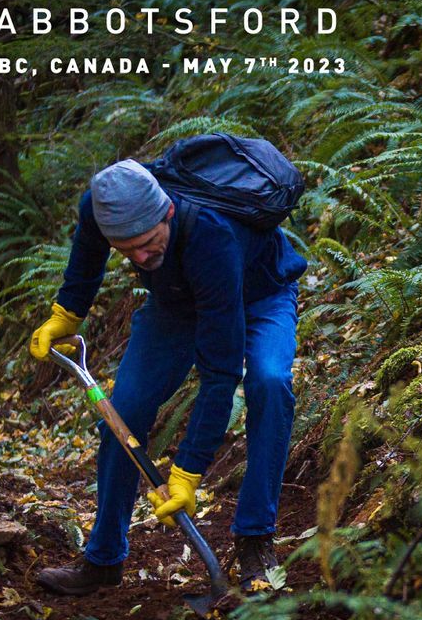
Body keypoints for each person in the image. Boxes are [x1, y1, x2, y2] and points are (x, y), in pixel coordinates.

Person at [29, 158, 307, 595]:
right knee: (125, 411)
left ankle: (255, 541)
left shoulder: (210, 233)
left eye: (147, 243)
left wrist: (188, 472)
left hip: (258, 295)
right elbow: (87, 252)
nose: (140, 258)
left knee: (269, 384)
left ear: (168, 213)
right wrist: (67, 314)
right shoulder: (100, 208)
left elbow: (220, 374)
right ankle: (103, 559)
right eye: (128, 251)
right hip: (175, 305)